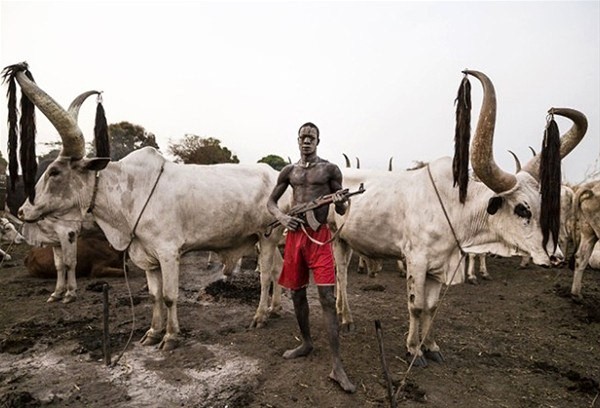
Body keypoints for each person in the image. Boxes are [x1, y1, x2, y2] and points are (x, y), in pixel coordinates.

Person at [267, 122, 356, 393]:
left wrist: (339, 200)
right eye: (303, 137)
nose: (307, 141)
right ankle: (306, 343)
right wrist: (283, 217)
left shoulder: (329, 170)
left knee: (328, 298)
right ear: (297, 140)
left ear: (318, 141)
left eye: (311, 137)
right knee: (296, 294)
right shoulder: (289, 171)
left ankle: (337, 366)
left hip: (319, 239)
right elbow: (271, 202)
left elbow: (341, 207)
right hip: (295, 238)